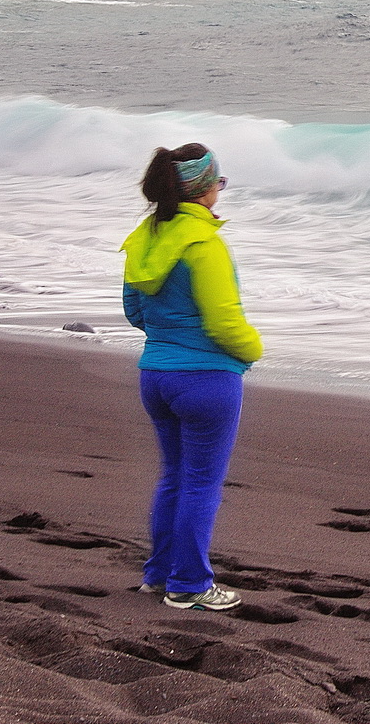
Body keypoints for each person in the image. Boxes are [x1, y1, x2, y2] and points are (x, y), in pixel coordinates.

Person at [121, 143, 262, 611]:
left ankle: (159, 575)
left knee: (175, 478)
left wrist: (169, 337)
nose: (220, 191)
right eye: (218, 183)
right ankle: (190, 585)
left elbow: (134, 312)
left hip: (155, 376)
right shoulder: (205, 245)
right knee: (202, 484)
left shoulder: (145, 239)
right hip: (206, 380)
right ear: (204, 191)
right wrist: (255, 350)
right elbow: (225, 324)